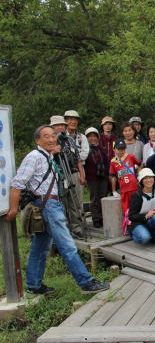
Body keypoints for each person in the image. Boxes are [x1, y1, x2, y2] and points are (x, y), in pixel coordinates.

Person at [6, 125, 109, 295]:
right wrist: (13, 209)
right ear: (37, 140)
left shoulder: (46, 156)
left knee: (40, 247)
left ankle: (34, 285)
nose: (51, 139)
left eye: (53, 135)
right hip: (48, 206)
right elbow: (17, 183)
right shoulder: (34, 157)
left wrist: (53, 153)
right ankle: (86, 282)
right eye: (46, 136)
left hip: (49, 205)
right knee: (67, 245)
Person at [50, 116, 86, 238]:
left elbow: (78, 159)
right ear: (52, 128)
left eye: (62, 125)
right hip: (59, 176)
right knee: (62, 203)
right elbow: (44, 159)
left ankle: (77, 228)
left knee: (76, 202)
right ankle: (65, 229)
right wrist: (52, 152)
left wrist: (82, 175)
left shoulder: (70, 139)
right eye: (57, 125)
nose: (60, 127)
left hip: (73, 173)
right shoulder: (49, 142)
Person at [109, 138, 141, 227]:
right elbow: (112, 177)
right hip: (124, 190)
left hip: (134, 188)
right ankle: (129, 227)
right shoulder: (113, 162)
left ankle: (138, 225)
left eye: (123, 148)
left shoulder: (130, 156)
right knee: (126, 210)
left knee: (137, 207)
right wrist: (114, 191)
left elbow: (140, 164)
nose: (121, 151)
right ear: (114, 149)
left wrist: (139, 176)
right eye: (119, 149)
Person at [128, 168, 155, 245]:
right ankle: (133, 233)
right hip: (139, 222)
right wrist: (146, 216)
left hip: (152, 220)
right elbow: (131, 216)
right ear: (141, 181)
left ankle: (154, 236)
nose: (149, 180)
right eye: (145, 178)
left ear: (154, 178)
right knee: (145, 239)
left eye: (150, 177)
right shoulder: (136, 195)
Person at [84, 127, 109, 228]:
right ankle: (96, 218)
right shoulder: (85, 150)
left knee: (103, 197)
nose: (93, 138)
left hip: (103, 176)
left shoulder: (101, 148)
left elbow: (106, 161)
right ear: (86, 138)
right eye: (90, 136)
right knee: (94, 198)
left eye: (94, 136)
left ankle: (103, 217)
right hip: (91, 177)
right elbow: (83, 164)